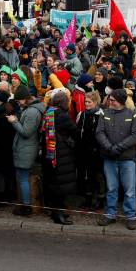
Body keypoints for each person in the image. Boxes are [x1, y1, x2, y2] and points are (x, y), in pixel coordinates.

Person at [95, 88, 136, 229]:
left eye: (113, 100)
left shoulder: (133, 115)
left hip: (127, 159)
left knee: (129, 189)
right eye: (110, 100)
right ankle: (110, 214)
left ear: (121, 101)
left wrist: (119, 147)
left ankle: (130, 216)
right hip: (109, 158)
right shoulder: (105, 113)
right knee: (111, 188)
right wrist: (109, 147)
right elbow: (99, 132)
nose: (110, 102)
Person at [41, 89, 79, 225]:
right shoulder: (63, 115)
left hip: (49, 152)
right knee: (60, 185)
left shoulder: (48, 112)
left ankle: (57, 212)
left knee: (53, 182)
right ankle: (58, 214)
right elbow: (74, 131)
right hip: (61, 154)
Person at [10, 83, 42, 216]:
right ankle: (26, 204)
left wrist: (14, 122)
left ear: (25, 98)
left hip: (26, 148)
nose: (18, 103)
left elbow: (26, 132)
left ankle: (27, 206)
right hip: (26, 147)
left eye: (19, 100)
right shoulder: (31, 109)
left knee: (23, 178)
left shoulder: (32, 111)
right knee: (23, 177)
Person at [76, 90, 103, 210]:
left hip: (97, 151)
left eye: (89, 102)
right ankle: (88, 198)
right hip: (84, 150)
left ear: (96, 102)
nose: (87, 104)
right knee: (86, 175)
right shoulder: (82, 114)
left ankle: (100, 199)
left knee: (98, 176)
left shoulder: (101, 115)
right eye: (85, 101)